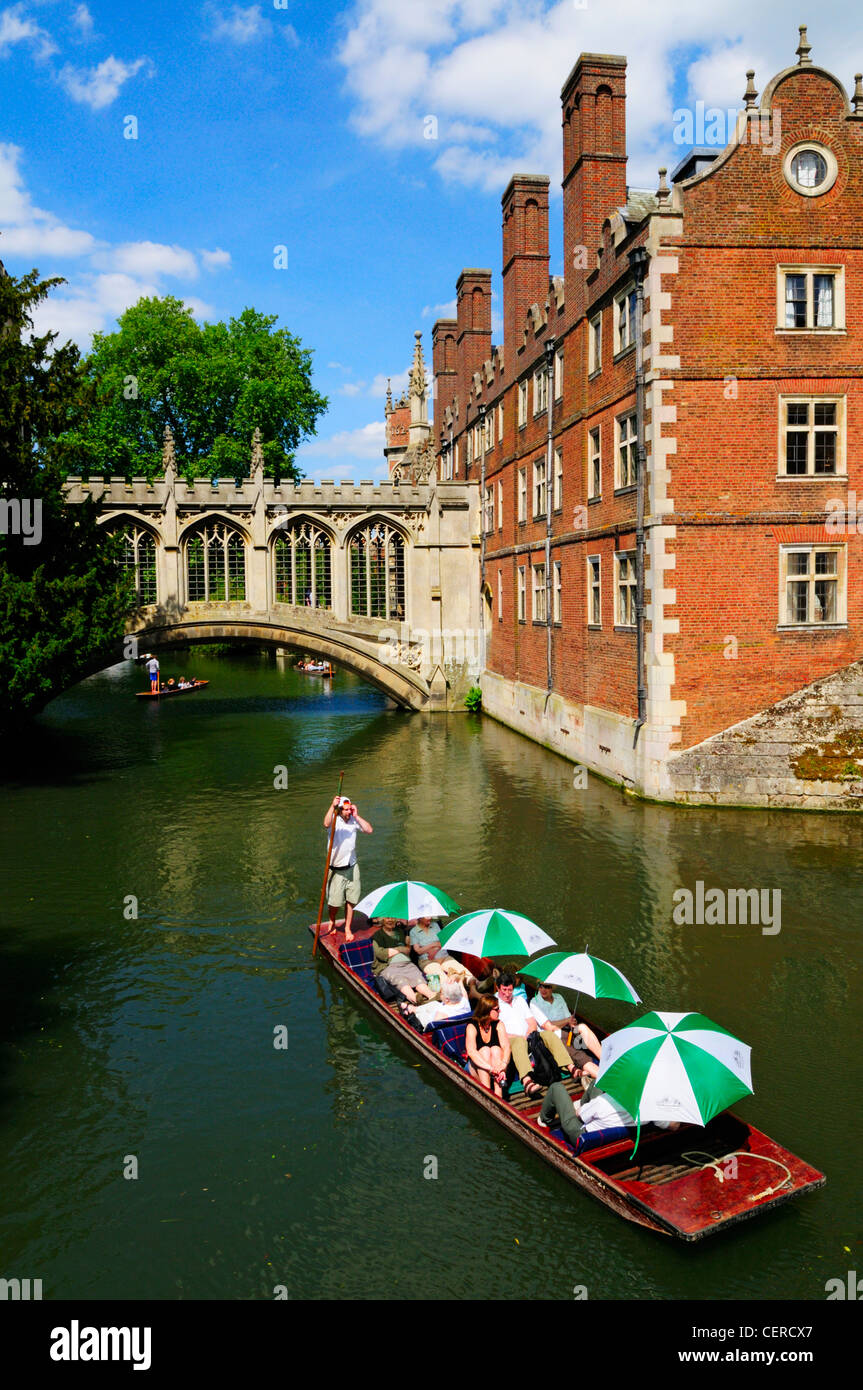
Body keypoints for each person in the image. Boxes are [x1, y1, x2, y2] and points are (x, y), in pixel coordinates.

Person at [496, 973, 578, 1097]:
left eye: (510, 990)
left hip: (529, 1036)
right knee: (519, 1042)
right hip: (510, 1040)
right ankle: (527, 1081)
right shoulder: (494, 1004)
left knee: (549, 1035)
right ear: (498, 988)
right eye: (504, 990)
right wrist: (520, 1038)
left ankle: (571, 1067)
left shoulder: (519, 1000)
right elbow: (497, 1030)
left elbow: (532, 1021)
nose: (507, 994)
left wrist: (529, 1034)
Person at [530, 981, 602, 1081]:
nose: (543, 989)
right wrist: (567, 1020)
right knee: (579, 1055)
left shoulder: (559, 997)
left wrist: (571, 1022)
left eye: (547, 986)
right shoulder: (535, 1002)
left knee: (583, 1027)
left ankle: (605, 1059)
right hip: (555, 1035)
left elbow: (569, 1018)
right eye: (540, 986)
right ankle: (603, 1076)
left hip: (568, 1031)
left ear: (552, 988)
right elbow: (549, 1027)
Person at [323, 795, 372, 941]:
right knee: (335, 903)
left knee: (351, 899)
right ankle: (332, 919)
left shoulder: (353, 820)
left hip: (352, 866)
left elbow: (369, 830)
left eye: (350, 809)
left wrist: (357, 816)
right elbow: (326, 824)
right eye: (345, 810)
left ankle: (347, 927)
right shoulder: (334, 821)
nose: (348, 812)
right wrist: (332, 806)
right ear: (339, 810)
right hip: (337, 869)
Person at [372, 918, 435, 1013]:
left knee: (419, 980)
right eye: (387, 918)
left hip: (407, 964)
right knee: (402, 982)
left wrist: (403, 947)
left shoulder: (401, 932)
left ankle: (432, 997)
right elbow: (380, 954)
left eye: (392, 918)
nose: (390, 920)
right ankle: (416, 1000)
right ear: (382, 920)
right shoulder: (378, 936)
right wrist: (400, 948)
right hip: (389, 967)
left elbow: (408, 950)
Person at [465, 996, 510, 1098]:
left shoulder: (499, 1024)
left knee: (496, 1049)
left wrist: (502, 1066)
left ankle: (498, 1095)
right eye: (497, 1009)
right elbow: (471, 1052)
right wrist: (490, 1069)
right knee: (485, 1050)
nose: (500, 1011)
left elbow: (506, 1047)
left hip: (495, 1067)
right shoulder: (472, 1026)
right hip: (477, 1067)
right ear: (487, 1010)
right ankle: (487, 1093)